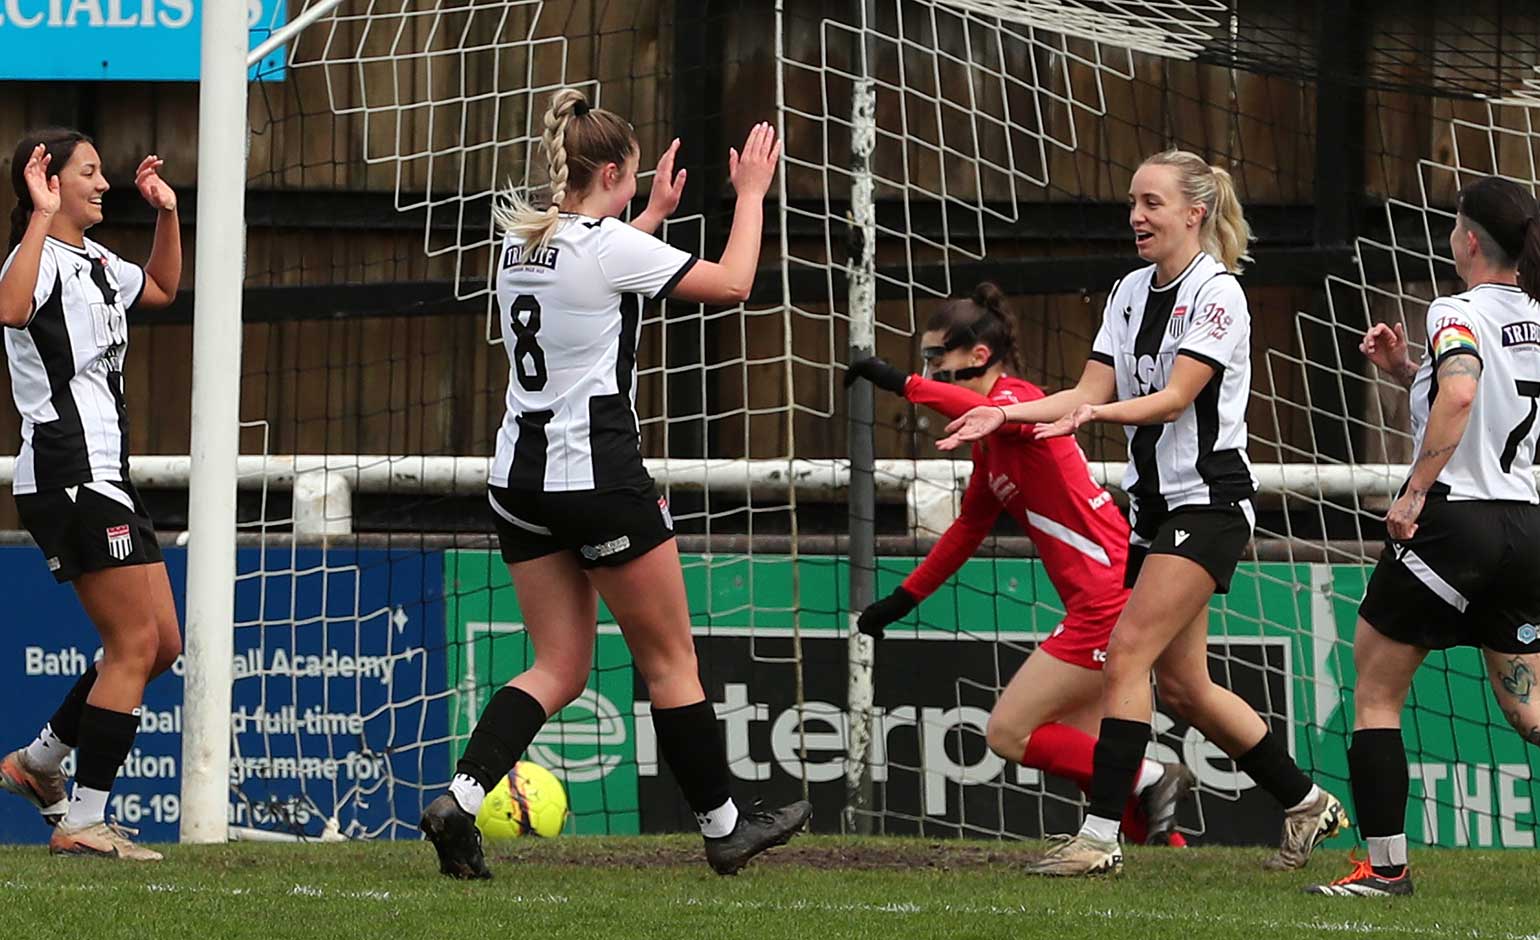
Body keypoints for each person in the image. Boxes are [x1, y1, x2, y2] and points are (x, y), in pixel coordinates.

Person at [419, 88, 810, 879]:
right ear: (608, 171)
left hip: (517, 481)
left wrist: (653, 214)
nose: (638, 189)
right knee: (670, 662)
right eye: (633, 178)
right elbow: (734, 284)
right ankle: (726, 826)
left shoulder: (524, 242)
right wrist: (752, 195)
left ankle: (460, 801)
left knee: (558, 667)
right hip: (595, 477)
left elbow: (592, 273)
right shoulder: (605, 245)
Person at [940, 150, 1345, 876]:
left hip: (1211, 505)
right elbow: (1081, 390)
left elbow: (1175, 398)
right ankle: (1306, 800)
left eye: (1152, 203)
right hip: (1154, 511)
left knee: (1124, 655)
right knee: (1186, 688)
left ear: (1195, 212)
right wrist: (996, 419)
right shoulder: (1129, 291)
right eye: (1133, 202)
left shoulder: (1219, 294)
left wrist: (1095, 413)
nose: (1136, 216)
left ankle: (1099, 838)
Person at [845, 281, 1195, 846]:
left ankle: (1154, 775)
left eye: (936, 357)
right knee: (1081, 753)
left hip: (1109, 596)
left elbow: (980, 408)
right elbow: (966, 529)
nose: (928, 369)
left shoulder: (1014, 403)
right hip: (1101, 595)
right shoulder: (991, 443)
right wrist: (900, 601)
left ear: (978, 356)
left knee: (1008, 732)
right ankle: (1169, 849)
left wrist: (899, 383)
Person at [1306, 177, 1540, 897]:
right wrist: (1410, 372)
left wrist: (1411, 493)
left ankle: (1385, 869)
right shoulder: (1537, 314)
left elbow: (1465, 392)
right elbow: (1486, 397)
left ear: (1468, 239)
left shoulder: (1456, 309)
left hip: (1454, 524)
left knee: (1376, 692)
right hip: (1528, 526)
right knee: (1530, 710)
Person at [0, 129, 183, 860]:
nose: (103, 183)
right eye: (89, 172)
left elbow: (164, 289)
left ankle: (38, 762)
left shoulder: (99, 262)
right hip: (68, 473)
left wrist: (166, 213)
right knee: (133, 643)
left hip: (108, 476)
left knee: (161, 644)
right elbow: (11, 310)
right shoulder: (34, 259)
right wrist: (39, 215)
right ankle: (83, 819)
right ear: (48, 182)